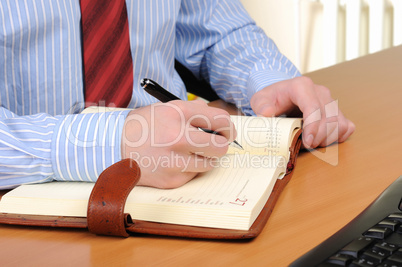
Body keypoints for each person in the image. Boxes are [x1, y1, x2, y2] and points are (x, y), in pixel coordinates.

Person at [0, 0, 354, 190]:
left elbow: (215, 28)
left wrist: (267, 79)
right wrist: (111, 141)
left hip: (182, 169)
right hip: (27, 190)